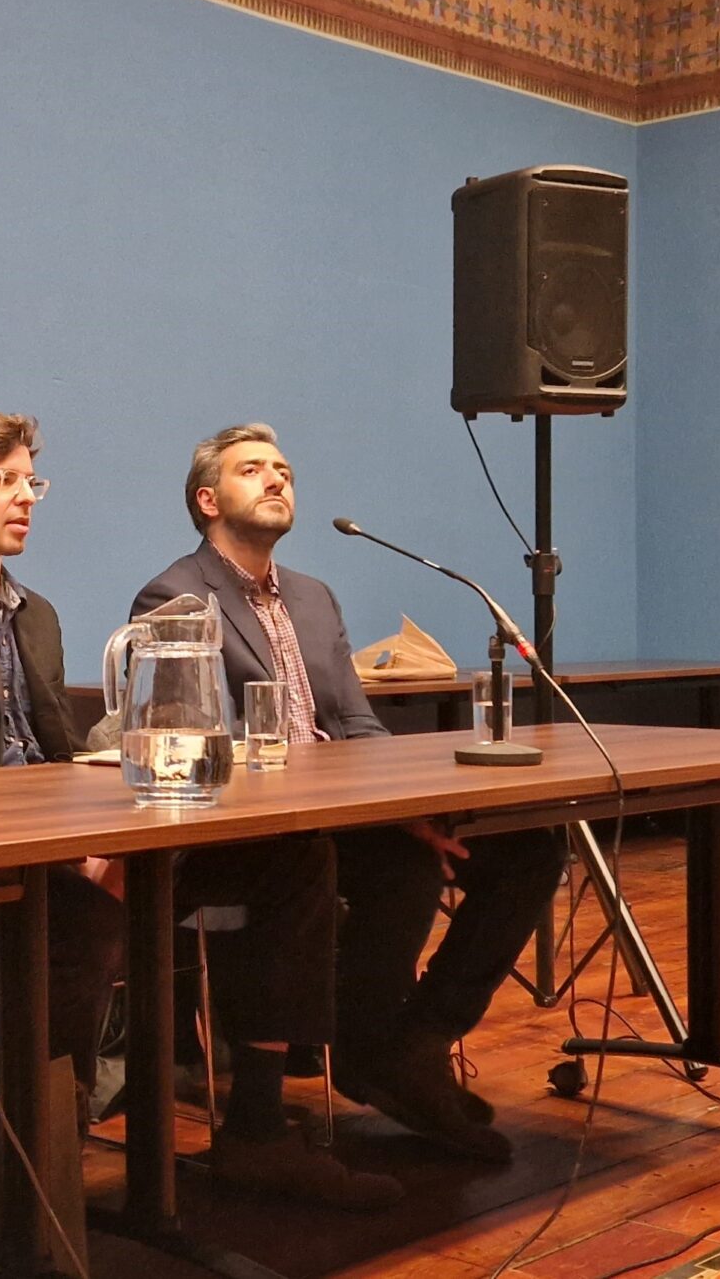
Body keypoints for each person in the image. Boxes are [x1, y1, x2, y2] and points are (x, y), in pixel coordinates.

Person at [0, 403, 397, 1209]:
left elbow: (59, 754)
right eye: (5, 479)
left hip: (70, 847)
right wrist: (73, 845)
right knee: (84, 915)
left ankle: (258, 1130)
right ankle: (40, 1171)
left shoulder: (38, 615)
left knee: (292, 856)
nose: (26, 496)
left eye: (32, 481)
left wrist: (111, 794)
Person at [136, 423, 567, 1162]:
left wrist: (412, 807)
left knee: (528, 845)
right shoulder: (175, 594)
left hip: (351, 813)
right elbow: (193, 739)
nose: (277, 478)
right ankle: (366, 1051)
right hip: (261, 829)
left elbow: (357, 723)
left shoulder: (313, 596)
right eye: (252, 470)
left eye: (284, 469)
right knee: (402, 869)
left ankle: (420, 1037)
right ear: (207, 499)